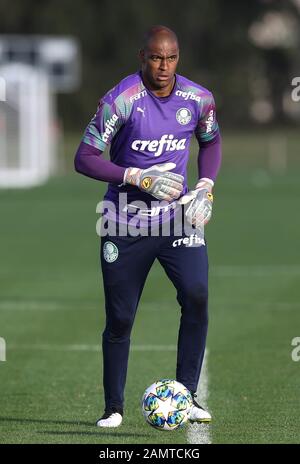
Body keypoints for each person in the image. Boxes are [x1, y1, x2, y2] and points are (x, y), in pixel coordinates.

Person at [74, 25, 222, 428]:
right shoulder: (120, 101)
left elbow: (210, 142)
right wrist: (136, 177)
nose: (164, 66)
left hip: (177, 220)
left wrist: (206, 186)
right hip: (124, 224)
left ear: (179, 57)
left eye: (171, 57)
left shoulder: (198, 98)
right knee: (120, 319)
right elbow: (84, 157)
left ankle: (188, 394)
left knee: (197, 295)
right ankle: (113, 408)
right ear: (143, 56)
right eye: (156, 58)